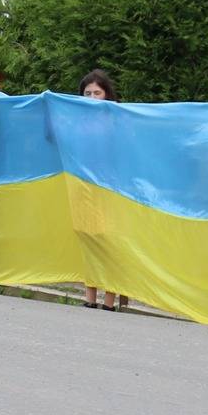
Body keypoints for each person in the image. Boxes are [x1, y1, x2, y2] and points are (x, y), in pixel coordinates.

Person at [77, 71, 124, 312]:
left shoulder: (116, 120)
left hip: (110, 189)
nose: (92, 97)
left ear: (106, 95)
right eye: (87, 93)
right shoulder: (76, 121)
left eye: (97, 93)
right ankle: (90, 297)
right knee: (88, 238)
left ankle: (109, 300)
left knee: (109, 242)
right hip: (84, 188)